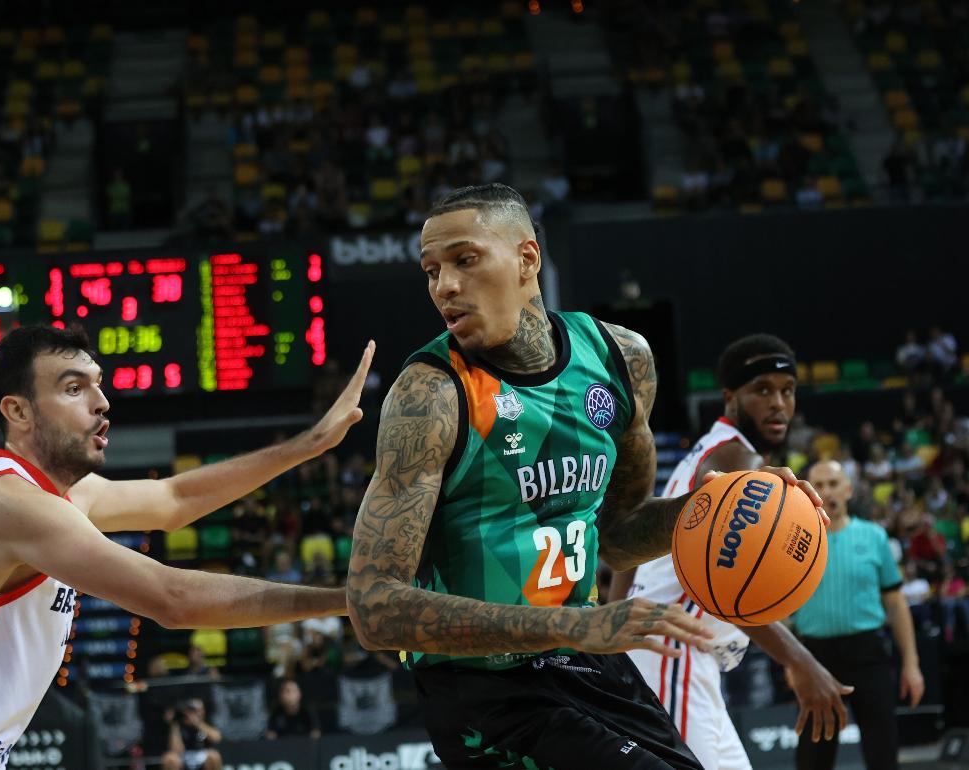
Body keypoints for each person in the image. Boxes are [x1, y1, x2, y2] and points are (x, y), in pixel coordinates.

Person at [344, 184, 824, 770]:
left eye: (465, 260)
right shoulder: (429, 394)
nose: (444, 285)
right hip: (486, 689)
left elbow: (618, 533)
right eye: (431, 270)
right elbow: (373, 610)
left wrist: (725, 507)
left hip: (587, 662)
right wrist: (577, 623)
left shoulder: (621, 358)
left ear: (527, 259)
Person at [0, 325, 374, 770]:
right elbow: (173, 598)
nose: (102, 402)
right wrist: (348, 601)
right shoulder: (5, 503)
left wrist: (310, 445)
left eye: (98, 383)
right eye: (73, 388)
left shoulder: (65, 496)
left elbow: (174, 498)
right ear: (17, 411)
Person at [608, 334, 851, 770]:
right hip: (671, 652)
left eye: (787, 391)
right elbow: (734, 579)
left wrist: (615, 626)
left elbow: (635, 543)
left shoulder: (713, 448)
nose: (778, 403)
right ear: (730, 398)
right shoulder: (735, 456)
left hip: (671, 655)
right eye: (762, 390)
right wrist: (802, 661)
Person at [792, 460, 924, 770]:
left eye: (833, 484)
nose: (826, 491)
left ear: (849, 489)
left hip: (869, 653)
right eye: (818, 485)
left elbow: (895, 603)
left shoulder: (874, 536)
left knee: (882, 754)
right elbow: (780, 607)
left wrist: (912, 664)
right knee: (812, 758)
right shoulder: (793, 538)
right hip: (815, 657)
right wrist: (791, 661)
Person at [163, 698, 221, 770]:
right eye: (190, 711)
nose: (192, 713)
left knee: (214, 756)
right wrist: (174, 724)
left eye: (197, 710)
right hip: (184, 757)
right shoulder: (178, 725)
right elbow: (177, 750)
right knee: (170, 758)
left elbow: (216, 738)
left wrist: (197, 723)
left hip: (202, 755)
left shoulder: (207, 721)